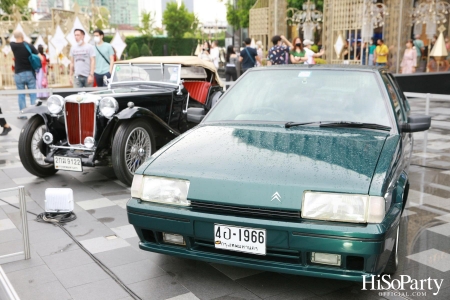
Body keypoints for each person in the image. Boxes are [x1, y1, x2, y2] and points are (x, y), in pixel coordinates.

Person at [10, 30, 38, 119]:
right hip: (29, 72)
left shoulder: (13, 45)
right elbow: (37, 54)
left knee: (21, 95)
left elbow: (11, 41)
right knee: (33, 94)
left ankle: (23, 114)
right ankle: (35, 114)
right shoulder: (29, 46)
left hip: (19, 73)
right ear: (23, 36)